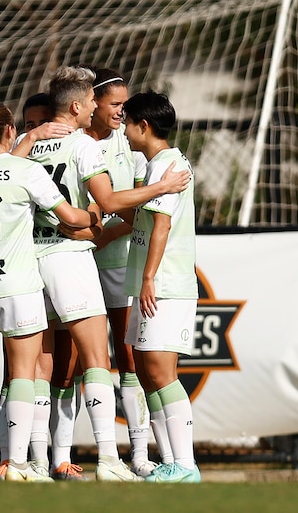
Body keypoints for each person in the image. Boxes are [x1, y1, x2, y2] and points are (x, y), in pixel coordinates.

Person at [11, 66, 190, 482]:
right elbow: (107, 199)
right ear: (77, 106)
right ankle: (109, 459)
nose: (98, 106)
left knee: (40, 364)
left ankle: (34, 462)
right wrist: (158, 189)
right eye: (93, 100)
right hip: (70, 256)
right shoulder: (82, 145)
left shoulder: (25, 143)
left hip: (27, 259)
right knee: (96, 359)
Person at [0, 102, 98, 483]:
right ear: (11, 131)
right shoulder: (25, 171)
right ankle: (16, 464)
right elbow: (72, 218)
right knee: (23, 375)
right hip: (17, 286)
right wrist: (97, 212)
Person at [122, 90, 201, 483]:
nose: (123, 130)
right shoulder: (160, 163)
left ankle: (185, 465)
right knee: (146, 369)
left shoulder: (165, 164)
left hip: (165, 283)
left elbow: (162, 225)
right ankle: (171, 461)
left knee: (160, 370)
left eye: (127, 122)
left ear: (144, 126)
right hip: (150, 282)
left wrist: (150, 277)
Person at [85, 68, 158, 478]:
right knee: (72, 362)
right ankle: (54, 457)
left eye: (125, 106)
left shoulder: (127, 146)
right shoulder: (72, 143)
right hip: (72, 263)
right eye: (115, 104)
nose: (122, 112)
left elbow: (134, 213)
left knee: (129, 358)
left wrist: (102, 235)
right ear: (91, 103)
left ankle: (141, 455)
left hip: (116, 262)